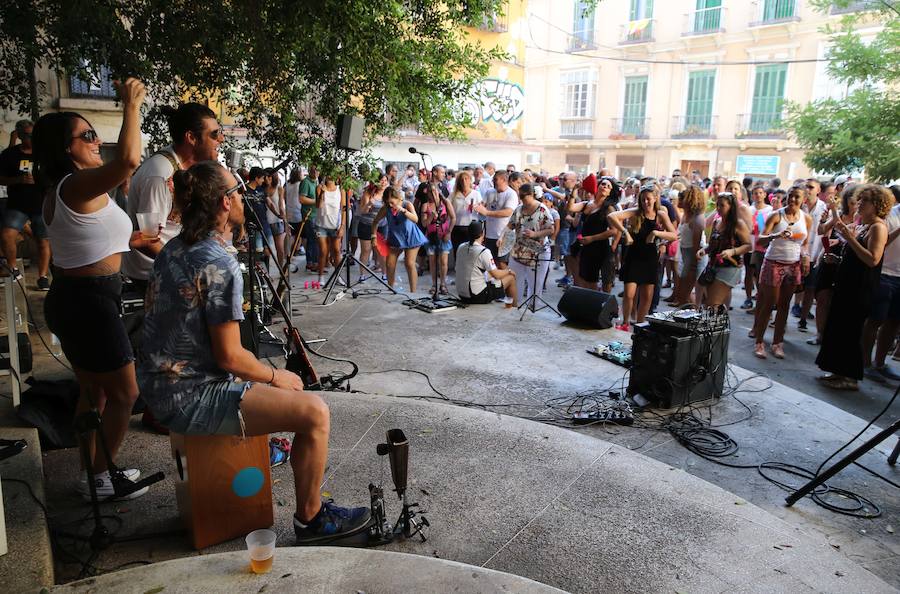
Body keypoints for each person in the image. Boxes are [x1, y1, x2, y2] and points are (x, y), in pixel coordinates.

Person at [139, 160, 370, 542]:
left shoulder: (176, 247)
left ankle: (275, 454)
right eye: (237, 193)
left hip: (160, 385)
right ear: (224, 205)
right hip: (186, 396)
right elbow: (230, 357)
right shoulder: (218, 263)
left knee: (275, 388)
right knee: (314, 412)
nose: (245, 198)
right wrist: (279, 377)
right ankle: (311, 520)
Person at [34, 78, 159, 500]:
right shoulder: (73, 185)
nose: (95, 140)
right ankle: (104, 478)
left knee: (95, 394)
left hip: (80, 298)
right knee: (126, 394)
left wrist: (134, 242)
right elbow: (128, 160)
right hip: (89, 303)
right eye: (87, 135)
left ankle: (92, 474)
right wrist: (130, 105)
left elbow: (92, 243)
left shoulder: (75, 190)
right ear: (66, 148)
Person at [816, 185, 891, 391]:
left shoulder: (878, 227)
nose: (859, 204)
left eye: (864, 200)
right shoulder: (866, 225)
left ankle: (850, 377)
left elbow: (873, 259)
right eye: (859, 199)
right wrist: (838, 258)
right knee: (841, 329)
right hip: (847, 284)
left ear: (876, 205)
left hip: (860, 289)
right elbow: (857, 258)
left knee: (851, 332)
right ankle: (838, 371)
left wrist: (849, 239)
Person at [751, 187, 813, 359]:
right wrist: (776, 235)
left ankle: (778, 343)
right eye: (790, 196)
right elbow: (760, 240)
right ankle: (759, 341)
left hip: (793, 264)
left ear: (803, 200)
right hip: (773, 263)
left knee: (785, 305)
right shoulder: (776, 215)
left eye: (797, 197)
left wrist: (806, 257)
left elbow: (805, 243)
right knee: (769, 303)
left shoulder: (806, 219)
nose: (792, 200)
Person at [607, 186, 677, 330]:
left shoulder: (661, 214)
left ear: (656, 198)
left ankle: (639, 323)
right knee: (629, 293)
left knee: (647, 295)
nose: (645, 202)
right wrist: (625, 232)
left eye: (648, 199)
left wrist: (657, 234)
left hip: (650, 257)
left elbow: (674, 234)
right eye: (643, 199)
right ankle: (625, 322)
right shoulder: (636, 212)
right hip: (634, 256)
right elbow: (612, 216)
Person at [0, 119, 51, 288]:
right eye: (29, 135)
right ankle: (13, 268)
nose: (33, 138)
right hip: (17, 205)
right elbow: (1, 179)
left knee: (43, 241)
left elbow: (53, 177)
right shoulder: (10, 155)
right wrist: (18, 179)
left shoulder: (44, 154)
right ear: (21, 136)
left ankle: (43, 277)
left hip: (40, 204)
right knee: (7, 235)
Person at [696, 192, 751, 307]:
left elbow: (748, 245)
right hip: (713, 265)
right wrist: (704, 250)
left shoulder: (738, 224)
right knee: (709, 303)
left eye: (722, 205)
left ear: (731, 207)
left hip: (729, 267)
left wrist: (732, 251)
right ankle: (715, 324)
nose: (719, 208)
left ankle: (713, 324)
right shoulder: (717, 222)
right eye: (718, 205)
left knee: (713, 303)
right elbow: (711, 245)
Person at [568, 176, 619, 293]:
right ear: (598, 186)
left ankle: (595, 306)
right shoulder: (587, 204)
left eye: (608, 186)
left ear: (610, 192)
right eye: (603, 184)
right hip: (586, 246)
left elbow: (613, 231)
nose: (605, 187)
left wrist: (592, 238)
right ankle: (587, 304)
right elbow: (570, 207)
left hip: (600, 247)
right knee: (585, 278)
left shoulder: (609, 209)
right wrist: (574, 191)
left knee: (596, 281)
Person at [505, 183, 554, 305]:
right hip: (519, 250)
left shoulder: (542, 209)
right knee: (515, 278)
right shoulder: (519, 209)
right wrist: (502, 237)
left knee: (535, 282)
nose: (521, 199)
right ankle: (516, 303)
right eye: (520, 196)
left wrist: (534, 234)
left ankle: (533, 306)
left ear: (532, 195)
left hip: (537, 252)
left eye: (524, 196)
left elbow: (551, 229)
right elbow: (509, 225)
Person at [371, 187, 427, 292]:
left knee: (409, 263)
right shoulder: (386, 208)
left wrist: (403, 210)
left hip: (411, 237)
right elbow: (375, 222)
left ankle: (413, 292)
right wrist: (373, 236)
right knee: (390, 264)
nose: (390, 205)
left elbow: (415, 219)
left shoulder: (407, 204)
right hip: (395, 238)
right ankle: (390, 288)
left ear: (398, 198)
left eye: (392, 202)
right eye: (388, 203)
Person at [455, 221, 516, 305]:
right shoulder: (484, 251)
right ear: (482, 234)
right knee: (510, 278)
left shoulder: (461, 247)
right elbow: (497, 275)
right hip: (477, 296)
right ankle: (514, 308)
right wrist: (508, 271)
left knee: (490, 275)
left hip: (462, 294)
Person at [475, 171, 518, 270]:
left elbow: (508, 212)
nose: (493, 181)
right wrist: (478, 207)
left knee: (502, 263)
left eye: (495, 179)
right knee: (491, 263)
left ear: (504, 180)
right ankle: (496, 284)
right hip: (490, 234)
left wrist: (487, 212)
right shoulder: (490, 191)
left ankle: (507, 283)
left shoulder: (511, 194)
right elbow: (483, 205)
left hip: (504, 235)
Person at [673, 186, 707, 307]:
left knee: (685, 293)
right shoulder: (686, 215)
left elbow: (696, 247)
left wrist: (692, 266)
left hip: (694, 257)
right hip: (685, 255)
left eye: (682, 199)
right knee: (682, 294)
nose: (679, 201)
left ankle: (694, 316)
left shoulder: (696, 220)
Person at [420, 181, 456, 295]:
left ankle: (443, 284)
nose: (433, 194)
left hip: (444, 235)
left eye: (435, 191)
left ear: (438, 191)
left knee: (444, 262)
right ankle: (434, 284)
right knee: (433, 261)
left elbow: (453, 218)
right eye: (430, 192)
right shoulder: (425, 205)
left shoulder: (445, 202)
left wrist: (449, 232)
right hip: (431, 237)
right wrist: (431, 216)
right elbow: (424, 223)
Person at [743, 185, 772, 311]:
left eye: (760, 193)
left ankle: (760, 299)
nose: (758, 195)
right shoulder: (748, 210)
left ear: (765, 194)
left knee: (759, 275)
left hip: (762, 248)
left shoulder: (770, 210)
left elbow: (765, 229)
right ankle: (748, 298)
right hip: (750, 246)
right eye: (755, 193)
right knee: (749, 273)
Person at [315, 176, 345, 284]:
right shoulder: (319, 187)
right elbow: (318, 206)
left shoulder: (340, 189)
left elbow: (344, 208)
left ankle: (338, 276)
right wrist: (322, 193)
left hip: (335, 225)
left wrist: (342, 226)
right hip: (321, 224)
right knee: (323, 251)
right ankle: (321, 277)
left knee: (337, 250)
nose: (329, 177)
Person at [449, 170, 482, 256]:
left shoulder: (476, 194)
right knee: (458, 251)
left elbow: (482, 208)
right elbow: (448, 208)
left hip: (471, 226)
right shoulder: (453, 195)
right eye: (462, 179)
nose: (464, 181)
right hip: (457, 226)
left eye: (466, 179)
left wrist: (478, 208)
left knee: (471, 251)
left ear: (470, 180)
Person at [264, 168, 286, 273]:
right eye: (266, 176)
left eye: (269, 176)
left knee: (280, 249)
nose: (267, 178)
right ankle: (266, 272)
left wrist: (283, 216)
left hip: (277, 221)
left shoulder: (279, 188)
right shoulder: (262, 189)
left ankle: (281, 269)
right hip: (266, 221)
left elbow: (281, 204)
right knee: (266, 250)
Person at [298, 166, 319, 272]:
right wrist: (317, 201)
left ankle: (311, 262)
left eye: (317, 170)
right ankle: (313, 263)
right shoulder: (306, 182)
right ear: (309, 171)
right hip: (309, 215)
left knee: (313, 239)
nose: (315, 172)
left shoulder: (318, 181)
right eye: (313, 169)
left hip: (317, 214)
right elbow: (301, 199)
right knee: (313, 239)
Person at [284, 168, 304, 272]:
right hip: (298, 211)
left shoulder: (287, 184)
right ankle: (294, 251)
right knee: (299, 234)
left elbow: (284, 197)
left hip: (289, 211)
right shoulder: (300, 184)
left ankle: (287, 253)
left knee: (290, 235)